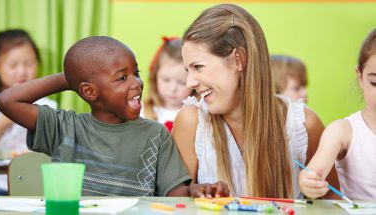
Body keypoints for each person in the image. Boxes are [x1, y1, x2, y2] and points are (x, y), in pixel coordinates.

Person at [0, 36, 202, 196]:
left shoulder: (156, 135)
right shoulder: (64, 127)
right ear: (89, 91)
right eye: (122, 77)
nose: (136, 83)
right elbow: (8, 101)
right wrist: (71, 78)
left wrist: (195, 190)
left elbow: (176, 193)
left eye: (136, 73)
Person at [173, 4, 339, 198]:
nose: (190, 82)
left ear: (238, 59)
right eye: (188, 70)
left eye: (198, 67)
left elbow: (333, 203)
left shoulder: (303, 125)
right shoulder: (192, 121)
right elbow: (176, 201)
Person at [298, 29, 376, 200]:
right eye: (375, 82)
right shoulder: (343, 131)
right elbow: (313, 171)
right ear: (360, 77)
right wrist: (308, 181)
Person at [0, 29, 57, 195]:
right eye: (13, 65)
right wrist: (4, 121)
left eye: (29, 63)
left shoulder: (47, 105)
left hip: (37, 185)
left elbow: (58, 147)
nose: (22, 71)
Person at [141, 37, 192, 132]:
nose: (172, 88)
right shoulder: (143, 111)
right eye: (166, 80)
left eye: (182, 82)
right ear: (155, 76)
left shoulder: (197, 115)